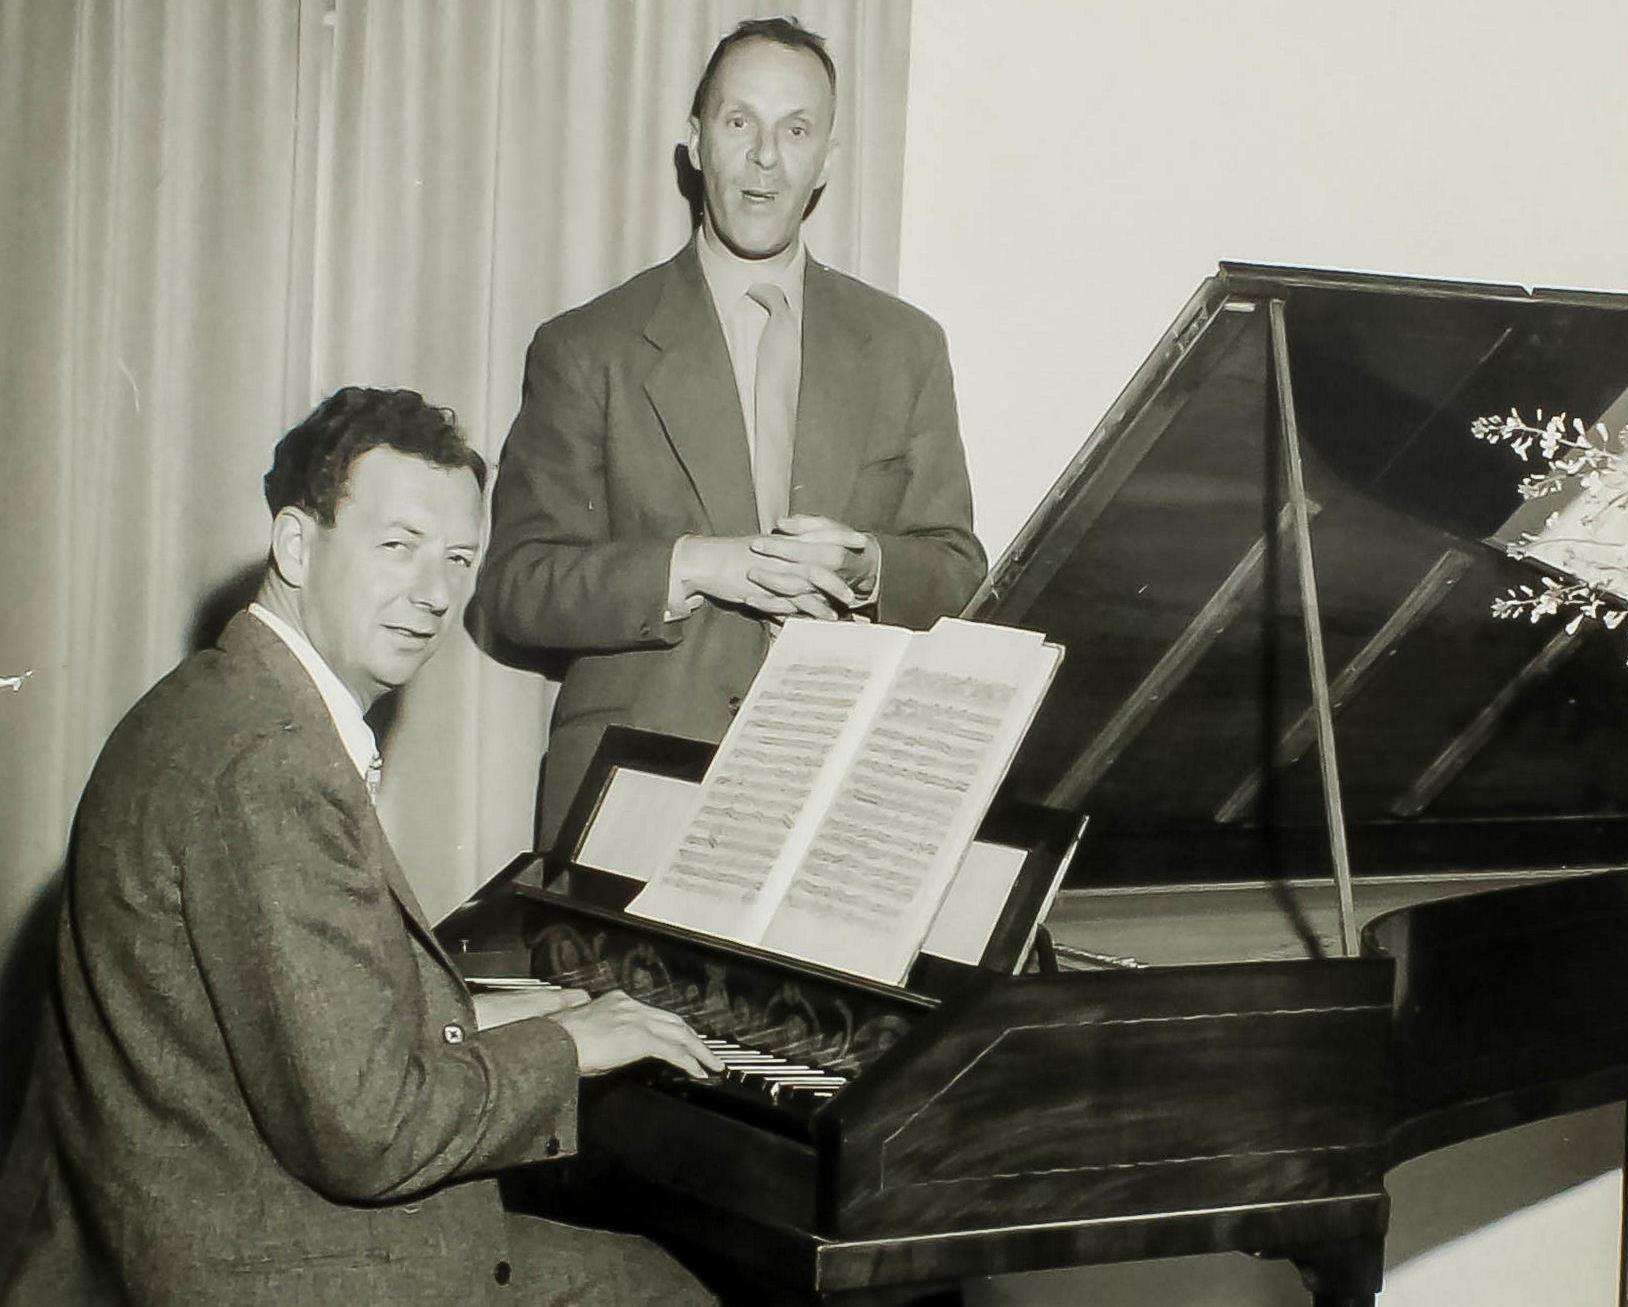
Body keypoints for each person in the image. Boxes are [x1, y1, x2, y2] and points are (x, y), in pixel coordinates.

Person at [1, 388, 721, 1305]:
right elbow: (367, 1130)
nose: (433, 593)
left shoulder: (220, 699)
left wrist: (485, 1014)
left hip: (181, 1220)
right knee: (662, 1287)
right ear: (297, 545)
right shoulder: (270, 762)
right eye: (397, 546)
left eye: (458, 558)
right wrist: (569, 1041)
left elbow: (306, 1021)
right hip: (257, 1264)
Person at [477, 17, 987, 842]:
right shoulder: (585, 346)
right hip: (631, 803)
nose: (764, 158)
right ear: (694, 142)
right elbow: (516, 588)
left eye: (796, 130)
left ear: (826, 159)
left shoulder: (906, 346)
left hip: (842, 798)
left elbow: (960, 572)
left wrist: (866, 569)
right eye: (738, 121)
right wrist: (698, 565)